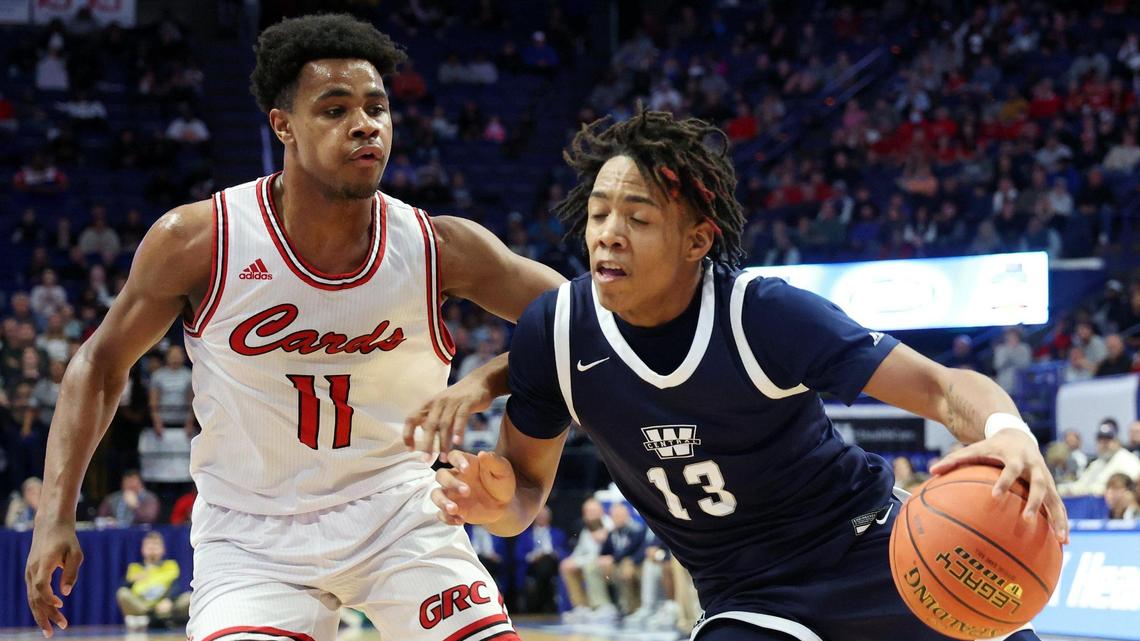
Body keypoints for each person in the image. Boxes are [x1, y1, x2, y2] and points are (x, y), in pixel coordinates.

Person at [427, 110, 1067, 641]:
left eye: (638, 219)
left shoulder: (761, 314)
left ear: (697, 240)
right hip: (751, 600)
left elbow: (940, 388)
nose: (608, 236)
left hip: (881, 553)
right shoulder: (554, 332)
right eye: (598, 215)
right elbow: (525, 498)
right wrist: (495, 506)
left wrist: (1008, 431)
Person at [25, 14, 563, 640]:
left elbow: (584, 319)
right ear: (283, 125)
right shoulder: (202, 240)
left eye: (376, 108)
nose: (365, 124)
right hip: (252, 532)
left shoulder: (441, 245)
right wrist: (54, 515)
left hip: (399, 514)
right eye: (335, 110)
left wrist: (483, 382)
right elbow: (98, 365)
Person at [116, 531, 192, 631]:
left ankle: (149, 621)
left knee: (189, 597)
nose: (152, 549)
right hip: (144, 607)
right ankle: (159, 620)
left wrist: (168, 600)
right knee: (122, 593)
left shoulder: (170, 565)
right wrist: (132, 581)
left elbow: (176, 586)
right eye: (149, 546)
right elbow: (125, 589)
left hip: (165, 605)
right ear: (142, 549)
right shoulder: (134, 568)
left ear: (163, 549)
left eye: (156, 545)